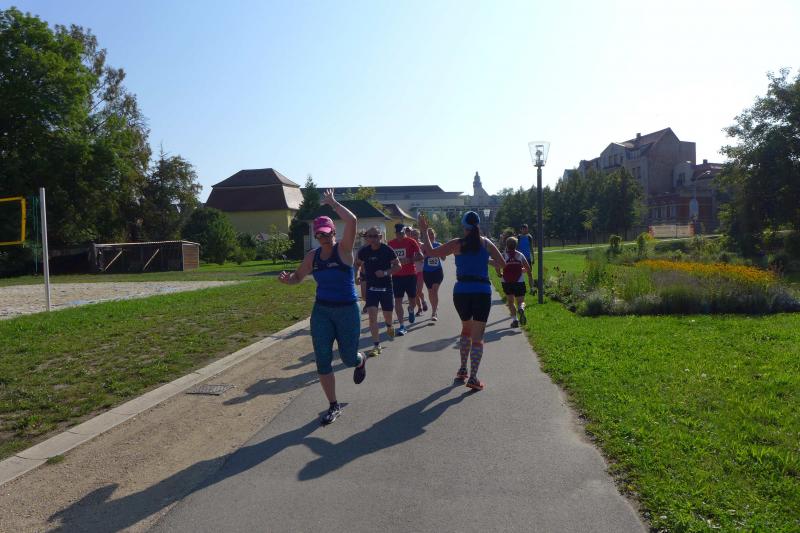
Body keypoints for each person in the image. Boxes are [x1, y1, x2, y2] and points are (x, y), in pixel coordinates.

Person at [278, 190, 366, 425]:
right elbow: (298, 277)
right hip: (322, 312)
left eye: (328, 234)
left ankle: (360, 360)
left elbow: (352, 221)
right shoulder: (312, 257)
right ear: (316, 236)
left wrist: (334, 203)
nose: (324, 238)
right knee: (323, 360)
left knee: (348, 358)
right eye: (320, 235)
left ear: (334, 232)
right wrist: (288, 280)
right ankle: (333, 404)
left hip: (347, 310)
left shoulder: (344, 249)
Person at [418, 211, 505, 391]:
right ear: (478, 225)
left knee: (466, 329)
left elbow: (431, 252)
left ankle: (463, 369)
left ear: (464, 226)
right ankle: (473, 377)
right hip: (482, 291)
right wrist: (486, 261)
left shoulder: (457, 244)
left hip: (462, 291)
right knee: (478, 336)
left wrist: (424, 231)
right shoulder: (486, 243)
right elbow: (502, 263)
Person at [356, 226, 402, 356]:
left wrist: (385, 272)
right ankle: (377, 345)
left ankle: (389, 325)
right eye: (370, 236)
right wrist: (357, 275)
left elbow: (398, 266)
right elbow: (357, 264)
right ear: (367, 238)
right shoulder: (364, 251)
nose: (372, 239)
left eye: (375, 236)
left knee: (388, 315)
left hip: (386, 287)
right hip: (371, 288)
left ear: (380, 237)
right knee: (372, 317)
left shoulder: (387, 250)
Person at [388, 223, 422, 335]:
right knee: (398, 300)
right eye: (398, 233)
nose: (400, 235)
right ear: (395, 233)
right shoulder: (390, 244)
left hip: (410, 275)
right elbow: (386, 259)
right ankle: (402, 326)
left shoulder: (411, 241)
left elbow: (421, 256)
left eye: (402, 233)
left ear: (405, 232)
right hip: (397, 276)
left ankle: (411, 309)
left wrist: (410, 259)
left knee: (413, 300)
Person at [496, 236, 531, 328]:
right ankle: (521, 308)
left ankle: (515, 320)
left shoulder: (503, 255)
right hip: (519, 281)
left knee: (510, 302)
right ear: (516, 245)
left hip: (506, 281)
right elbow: (528, 268)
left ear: (506, 245)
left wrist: (499, 274)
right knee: (521, 301)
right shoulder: (520, 255)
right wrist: (521, 270)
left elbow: (497, 266)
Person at [422, 227, 445, 322]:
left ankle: (434, 312)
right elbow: (420, 258)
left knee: (434, 291)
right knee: (431, 292)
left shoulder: (439, 245)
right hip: (427, 272)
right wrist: (426, 255)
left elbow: (443, 258)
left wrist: (438, 253)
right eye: (428, 234)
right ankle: (434, 306)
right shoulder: (423, 246)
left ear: (435, 235)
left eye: (432, 234)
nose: (430, 235)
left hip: (437, 271)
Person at [410, 228, 429, 317]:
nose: (414, 236)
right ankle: (419, 308)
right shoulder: (409, 246)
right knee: (414, 291)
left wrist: (422, 257)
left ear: (419, 235)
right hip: (412, 271)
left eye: (415, 234)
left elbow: (427, 255)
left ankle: (423, 301)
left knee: (419, 290)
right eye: (412, 234)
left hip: (421, 270)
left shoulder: (422, 245)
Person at [517, 224, 536, 295]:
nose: (525, 230)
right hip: (520, 259)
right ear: (521, 229)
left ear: (527, 229)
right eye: (523, 229)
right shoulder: (518, 237)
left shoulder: (529, 237)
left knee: (529, 274)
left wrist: (533, 258)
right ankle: (518, 289)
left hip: (527, 258)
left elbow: (531, 248)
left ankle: (532, 289)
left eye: (526, 229)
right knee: (518, 274)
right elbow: (516, 247)